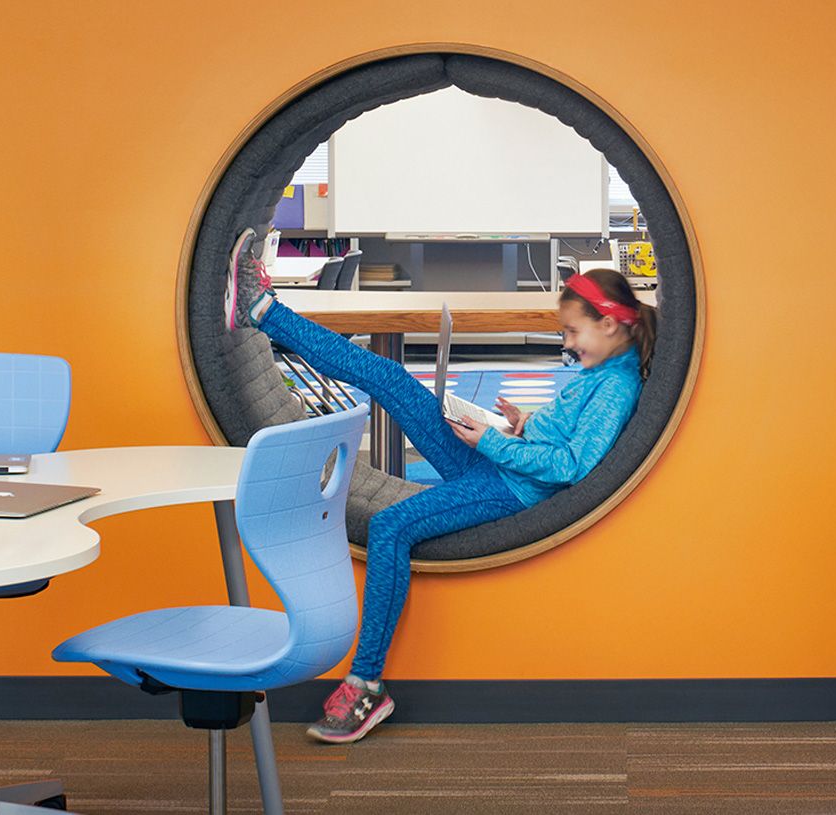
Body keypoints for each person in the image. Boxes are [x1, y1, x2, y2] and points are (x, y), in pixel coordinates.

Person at [225, 228, 655, 744]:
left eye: (572, 332)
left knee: (389, 527)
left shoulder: (617, 385)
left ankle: (366, 686)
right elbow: (566, 436)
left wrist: (494, 445)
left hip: (508, 488)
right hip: (500, 460)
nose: (566, 344)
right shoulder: (607, 366)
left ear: (608, 324)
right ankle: (264, 312)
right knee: (389, 376)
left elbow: (571, 467)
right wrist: (523, 425)